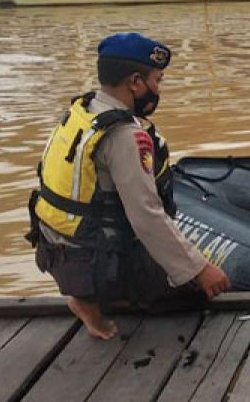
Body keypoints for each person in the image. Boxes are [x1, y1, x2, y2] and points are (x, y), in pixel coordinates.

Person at [28, 33, 229, 339]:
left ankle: (92, 296)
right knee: (197, 291)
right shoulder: (122, 135)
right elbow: (146, 215)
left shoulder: (83, 111)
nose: (156, 90)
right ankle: (94, 302)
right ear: (135, 82)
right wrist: (199, 269)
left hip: (59, 252)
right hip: (94, 263)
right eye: (156, 81)